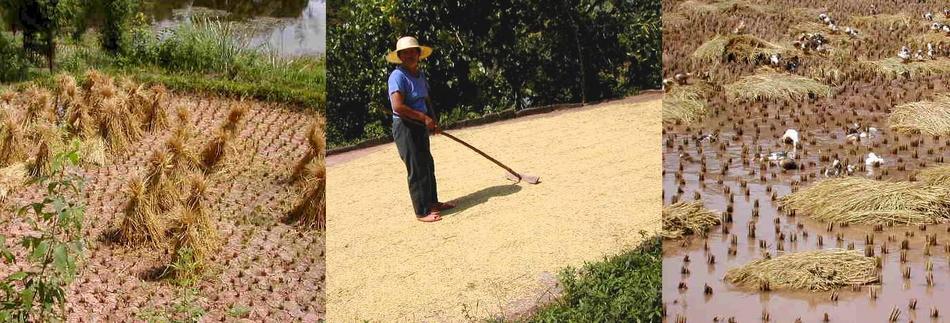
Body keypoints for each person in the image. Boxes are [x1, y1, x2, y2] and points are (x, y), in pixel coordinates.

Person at [386, 36, 455, 222]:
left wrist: (433, 120)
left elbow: (426, 99)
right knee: (416, 168)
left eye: (413, 52)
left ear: (418, 54)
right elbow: (397, 106)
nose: (410, 55)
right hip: (405, 127)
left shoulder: (420, 74)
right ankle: (422, 211)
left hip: (420, 125)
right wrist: (423, 118)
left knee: (427, 163)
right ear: (400, 56)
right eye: (405, 53)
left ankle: (433, 202)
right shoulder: (397, 76)